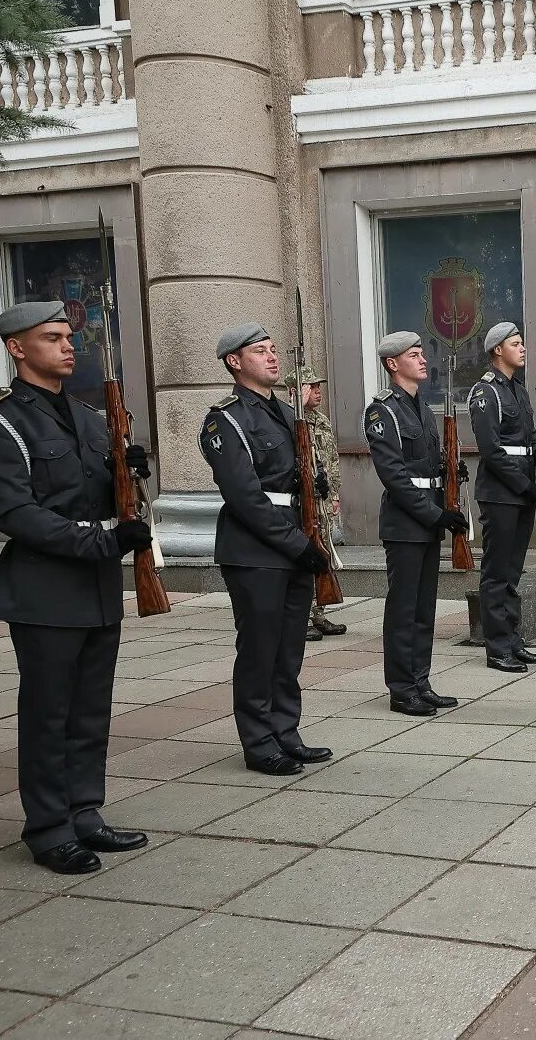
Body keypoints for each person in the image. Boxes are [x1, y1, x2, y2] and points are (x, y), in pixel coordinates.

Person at [0, 301, 153, 874]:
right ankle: (47, 827)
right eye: (52, 337)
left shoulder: (92, 417)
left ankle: (84, 812)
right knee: (49, 713)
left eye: (69, 336)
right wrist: (103, 542)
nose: (69, 346)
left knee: (91, 710)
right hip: (45, 587)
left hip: (95, 585)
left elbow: (105, 497)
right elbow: (15, 513)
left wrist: (130, 475)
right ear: (17, 348)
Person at [200, 323, 334, 776]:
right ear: (234, 362)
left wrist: (308, 484)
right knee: (259, 649)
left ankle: (286, 730)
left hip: (294, 540)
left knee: (288, 646)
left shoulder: (284, 412)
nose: (273, 357)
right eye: (261, 351)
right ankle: (259, 742)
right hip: (256, 549)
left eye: (274, 349)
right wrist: (298, 544)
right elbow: (246, 497)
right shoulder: (226, 419)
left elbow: (285, 479)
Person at [366, 331, 465, 715]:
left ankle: (420, 681)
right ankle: (401, 688)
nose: (423, 359)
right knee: (403, 609)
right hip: (406, 523)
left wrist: (451, 476)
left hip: (428, 520)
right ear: (393, 364)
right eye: (414, 354)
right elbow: (394, 476)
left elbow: (427, 466)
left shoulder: (423, 408)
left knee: (424, 608)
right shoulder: (382, 411)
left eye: (422, 353)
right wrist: (435, 514)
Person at [470, 321, 536, 673]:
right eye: (516, 343)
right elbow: (492, 451)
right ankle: (497, 647)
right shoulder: (485, 392)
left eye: (522, 342)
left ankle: (513, 640)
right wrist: (529, 488)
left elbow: (525, 441)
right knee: (496, 573)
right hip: (501, 494)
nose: (522, 348)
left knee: (512, 571)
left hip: (522, 492)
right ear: (497, 350)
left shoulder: (519, 391)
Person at [282, 367, 347, 643]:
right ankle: (303, 616)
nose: (318, 392)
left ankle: (318, 613)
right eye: (311, 387)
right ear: (296, 391)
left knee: (323, 552)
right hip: (302, 500)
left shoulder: (321, 420)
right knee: (307, 552)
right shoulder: (288, 421)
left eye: (319, 387)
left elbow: (331, 459)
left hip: (322, 496)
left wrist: (334, 494)